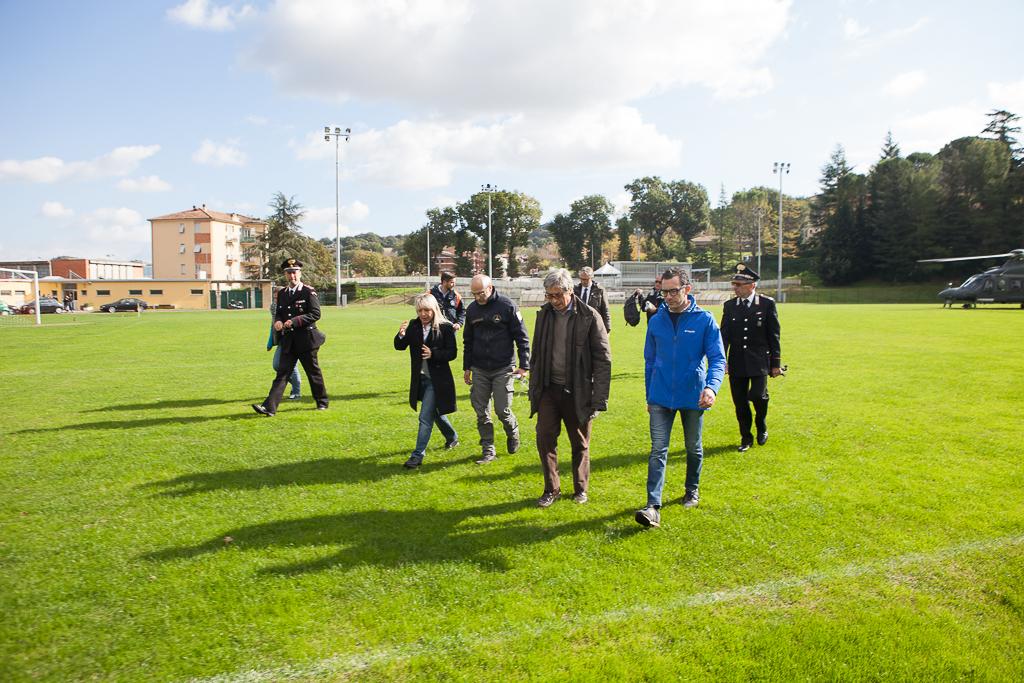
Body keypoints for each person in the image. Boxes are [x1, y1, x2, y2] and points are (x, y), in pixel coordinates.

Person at [635, 267, 725, 528]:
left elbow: (718, 359)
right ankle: (653, 506)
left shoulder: (704, 320)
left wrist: (711, 388)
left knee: (693, 447)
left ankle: (691, 489)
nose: (669, 296)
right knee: (657, 450)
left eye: (674, 291)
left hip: (693, 395)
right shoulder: (656, 321)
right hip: (661, 396)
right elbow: (649, 362)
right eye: (664, 292)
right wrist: (649, 395)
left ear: (687, 289)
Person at [528, 269, 611, 507]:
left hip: (579, 390)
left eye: (557, 295)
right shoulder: (544, 315)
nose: (553, 300)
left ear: (569, 290)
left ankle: (580, 488)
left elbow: (603, 360)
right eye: (548, 295)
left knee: (580, 443)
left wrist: (599, 398)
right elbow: (537, 354)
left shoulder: (589, 316)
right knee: (544, 437)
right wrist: (535, 388)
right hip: (548, 389)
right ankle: (551, 489)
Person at [463, 273, 531, 464]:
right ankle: (488, 449)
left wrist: (524, 365)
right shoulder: (472, 310)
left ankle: (513, 431)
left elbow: (522, 337)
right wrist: (467, 367)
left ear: (490, 288)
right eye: (474, 294)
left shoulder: (507, 306)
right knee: (482, 412)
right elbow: (468, 341)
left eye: (481, 293)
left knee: (502, 410)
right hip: (479, 368)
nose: (478, 297)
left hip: (503, 367)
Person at [252, 258, 328, 416]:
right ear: (285, 275)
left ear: (299, 273)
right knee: (282, 373)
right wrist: (278, 321)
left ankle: (322, 402)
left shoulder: (308, 291)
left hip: (307, 339)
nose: (291, 276)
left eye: (294, 272)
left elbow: (315, 314)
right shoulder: (282, 293)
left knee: (313, 373)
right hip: (289, 341)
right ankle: (269, 408)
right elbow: (279, 312)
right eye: (288, 273)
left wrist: (293, 321)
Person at [719, 263, 782, 452]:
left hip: (759, 361)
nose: (735, 288)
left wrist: (775, 364)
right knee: (740, 402)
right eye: (734, 284)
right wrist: (722, 362)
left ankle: (761, 425)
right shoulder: (729, 306)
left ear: (752, 285)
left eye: (739, 284)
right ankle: (746, 437)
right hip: (737, 362)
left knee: (757, 395)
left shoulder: (766, 304)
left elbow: (774, 335)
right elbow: (724, 336)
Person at [394, 292, 459, 469]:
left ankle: (417, 455)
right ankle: (452, 438)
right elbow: (400, 346)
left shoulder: (445, 328)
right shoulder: (414, 326)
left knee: (425, 417)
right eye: (420, 310)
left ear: (434, 310)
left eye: (427, 310)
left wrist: (434, 354)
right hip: (419, 380)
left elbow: (452, 353)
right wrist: (400, 335)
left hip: (436, 381)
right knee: (435, 413)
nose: (423, 314)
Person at [266, 291, 301, 400]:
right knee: (277, 365)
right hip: (282, 341)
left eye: (278, 297)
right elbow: (273, 325)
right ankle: (296, 385)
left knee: (292, 366)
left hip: (294, 339)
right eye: (274, 297)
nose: (276, 299)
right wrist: (270, 342)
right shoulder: (274, 307)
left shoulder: (292, 305)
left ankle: (296, 391)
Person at [573, 266, 611, 333]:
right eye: (582, 279)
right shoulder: (574, 290)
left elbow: (605, 310)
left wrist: (607, 329)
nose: (583, 281)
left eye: (586, 279)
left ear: (592, 277)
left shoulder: (600, 290)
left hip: (594, 324)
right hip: (578, 325)